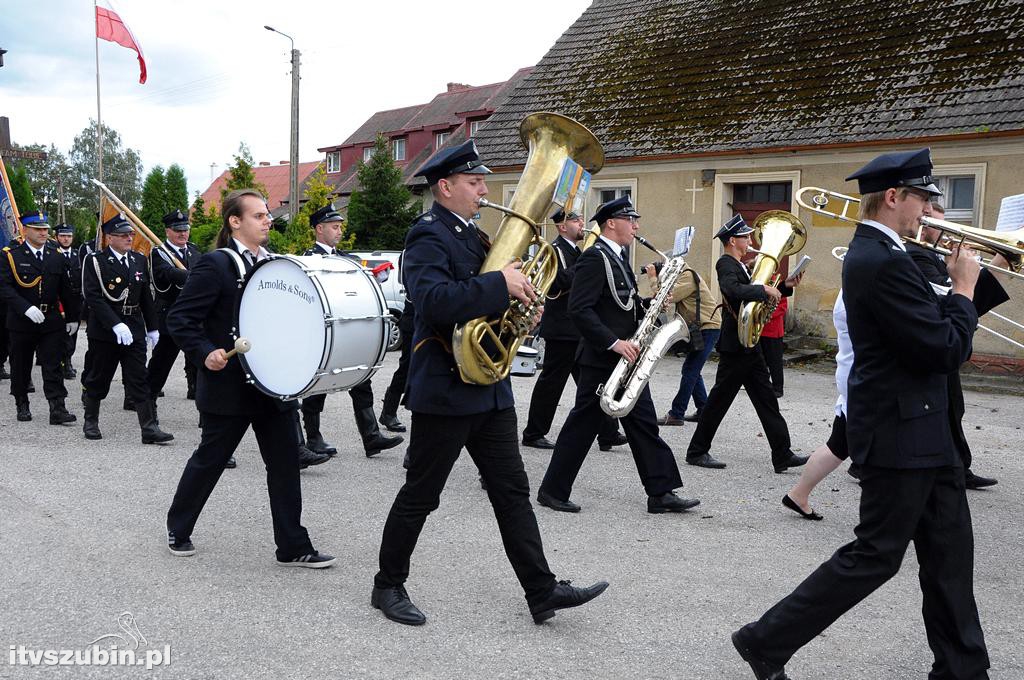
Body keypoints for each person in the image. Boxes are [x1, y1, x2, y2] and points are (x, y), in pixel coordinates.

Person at [733, 148, 990, 680]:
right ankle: (765, 640)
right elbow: (943, 347)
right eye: (923, 199)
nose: (929, 211)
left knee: (949, 560)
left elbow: (933, 326)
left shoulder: (891, 255)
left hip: (925, 429)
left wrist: (956, 287)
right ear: (894, 197)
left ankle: (963, 670)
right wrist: (963, 287)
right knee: (876, 555)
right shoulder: (880, 260)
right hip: (899, 434)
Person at [371, 140, 607, 626]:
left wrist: (524, 306)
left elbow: (493, 298)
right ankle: (387, 585)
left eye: (482, 182)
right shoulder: (427, 236)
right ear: (446, 187)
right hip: (445, 386)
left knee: (512, 491)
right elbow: (432, 302)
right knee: (422, 494)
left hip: (489, 384)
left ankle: (542, 591)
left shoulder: (477, 238)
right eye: (475, 183)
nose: (484, 191)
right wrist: (500, 284)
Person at [165, 189, 335, 567]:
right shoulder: (215, 265)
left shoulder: (277, 266)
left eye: (267, 215)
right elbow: (180, 319)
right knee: (211, 460)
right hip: (229, 387)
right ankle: (178, 526)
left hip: (273, 387)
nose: (267, 220)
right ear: (235, 221)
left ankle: (292, 545)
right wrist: (204, 350)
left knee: (286, 463)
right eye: (258, 215)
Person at [536, 197, 700, 514]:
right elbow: (578, 309)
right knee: (581, 426)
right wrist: (613, 342)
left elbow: (620, 305)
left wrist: (650, 306)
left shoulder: (618, 257)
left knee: (643, 425)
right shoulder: (594, 258)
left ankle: (661, 492)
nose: (637, 226)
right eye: (631, 219)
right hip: (602, 359)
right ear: (612, 222)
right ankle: (552, 490)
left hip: (627, 357)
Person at [683, 215, 807, 472]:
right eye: (745, 237)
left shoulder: (740, 264)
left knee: (766, 399)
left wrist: (783, 286)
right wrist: (765, 290)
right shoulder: (725, 263)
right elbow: (733, 290)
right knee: (719, 400)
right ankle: (697, 451)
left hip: (748, 343)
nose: (750, 241)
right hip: (736, 344)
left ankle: (782, 454)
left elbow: (755, 293)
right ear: (732, 241)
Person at [907, 201, 1006, 490]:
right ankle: (957, 470)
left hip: (945, 344)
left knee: (953, 408)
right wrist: (986, 268)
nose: (945, 233)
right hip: (935, 347)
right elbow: (953, 302)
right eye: (939, 227)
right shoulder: (918, 255)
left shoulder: (935, 256)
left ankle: (959, 467)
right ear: (925, 228)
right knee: (948, 409)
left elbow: (966, 303)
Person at [299, 203, 403, 459]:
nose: (339, 231)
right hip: (322, 332)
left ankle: (371, 437)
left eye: (340, 227)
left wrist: (373, 280)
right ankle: (313, 438)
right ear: (319, 229)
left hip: (345, 329)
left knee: (361, 379)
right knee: (316, 386)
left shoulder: (346, 259)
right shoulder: (307, 259)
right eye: (334, 227)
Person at [521, 208, 626, 450]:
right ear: (561, 226)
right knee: (552, 383)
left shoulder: (576, 251)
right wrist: (585, 264)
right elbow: (556, 284)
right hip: (561, 328)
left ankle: (608, 432)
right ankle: (533, 433)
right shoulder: (555, 250)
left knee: (592, 383)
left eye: (580, 220)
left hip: (577, 329)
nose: (582, 224)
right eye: (576, 220)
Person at [80, 213, 173, 444]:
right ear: (109, 237)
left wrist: (153, 328)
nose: (129, 238)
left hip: (134, 328)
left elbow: (145, 298)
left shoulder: (139, 260)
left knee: (139, 378)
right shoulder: (95, 261)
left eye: (130, 234)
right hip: (105, 331)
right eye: (123, 235)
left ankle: (149, 428)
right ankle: (91, 420)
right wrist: (115, 323)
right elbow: (93, 297)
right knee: (99, 377)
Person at [0, 211, 79, 424]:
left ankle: (57, 407)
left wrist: (72, 317)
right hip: (22, 320)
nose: (44, 233)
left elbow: (66, 288)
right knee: (21, 364)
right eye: (38, 229)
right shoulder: (11, 254)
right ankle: (22, 402)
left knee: (53, 363)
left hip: (51, 318)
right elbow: (4, 287)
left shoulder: (56, 254)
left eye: (45, 229)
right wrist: (24, 308)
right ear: (25, 230)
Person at [651, 257, 722, 427]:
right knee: (692, 369)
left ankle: (677, 413)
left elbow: (663, 296)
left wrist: (653, 277)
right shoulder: (683, 276)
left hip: (707, 327)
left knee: (690, 369)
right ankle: (704, 409)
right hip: (703, 327)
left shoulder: (687, 276)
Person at [146, 210, 202, 413]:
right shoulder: (158, 253)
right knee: (161, 364)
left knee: (200, 363)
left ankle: (204, 409)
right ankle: (148, 404)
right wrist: (191, 277)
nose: (182, 234)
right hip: (169, 316)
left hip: (193, 317)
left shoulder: (194, 252)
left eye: (185, 230)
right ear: (168, 231)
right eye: (178, 230)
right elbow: (165, 275)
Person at [379, 251, 412, 434]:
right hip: (415, 315)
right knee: (407, 368)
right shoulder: (413, 247)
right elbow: (409, 281)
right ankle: (389, 411)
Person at [53, 223, 82, 379]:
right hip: (57, 301)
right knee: (59, 333)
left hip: (75, 301)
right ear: (56, 237)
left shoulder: (78, 255)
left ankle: (68, 359)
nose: (66, 239)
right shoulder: (52, 254)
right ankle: (63, 363)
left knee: (73, 333)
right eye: (63, 236)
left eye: (69, 236)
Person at [758, 297, 787, 398]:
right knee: (760, 360)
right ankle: (762, 385)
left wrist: (765, 315)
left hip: (773, 329)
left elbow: (782, 307)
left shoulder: (779, 285)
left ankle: (778, 388)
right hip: (759, 329)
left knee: (775, 361)